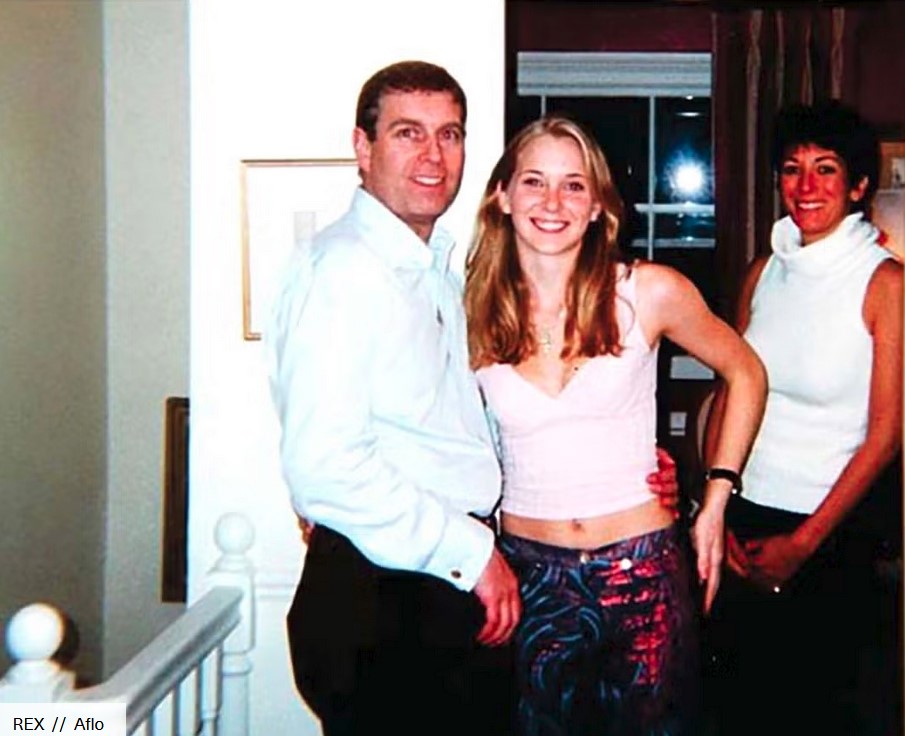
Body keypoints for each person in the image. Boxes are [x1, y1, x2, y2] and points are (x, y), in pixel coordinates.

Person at [266, 62, 679, 736]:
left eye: (449, 134)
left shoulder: (441, 272)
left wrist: (625, 462)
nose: (432, 155)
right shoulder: (342, 270)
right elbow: (323, 465)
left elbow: (466, 424)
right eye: (408, 133)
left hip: (440, 585)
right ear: (363, 147)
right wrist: (474, 552)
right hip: (387, 593)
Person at [463, 115, 767, 735]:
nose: (553, 202)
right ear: (502, 196)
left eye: (574, 185)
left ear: (599, 205)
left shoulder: (647, 292)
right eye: (534, 181)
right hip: (528, 579)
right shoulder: (468, 307)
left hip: (644, 573)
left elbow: (746, 372)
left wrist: (715, 500)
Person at [703, 100, 903, 736]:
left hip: (829, 534)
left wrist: (803, 545)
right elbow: (729, 392)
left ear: (859, 185)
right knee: (735, 712)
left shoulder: (886, 284)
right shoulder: (763, 271)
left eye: (826, 168)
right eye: (792, 169)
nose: (806, 185)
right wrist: (711, 508)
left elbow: (886, 436)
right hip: (742, 519)